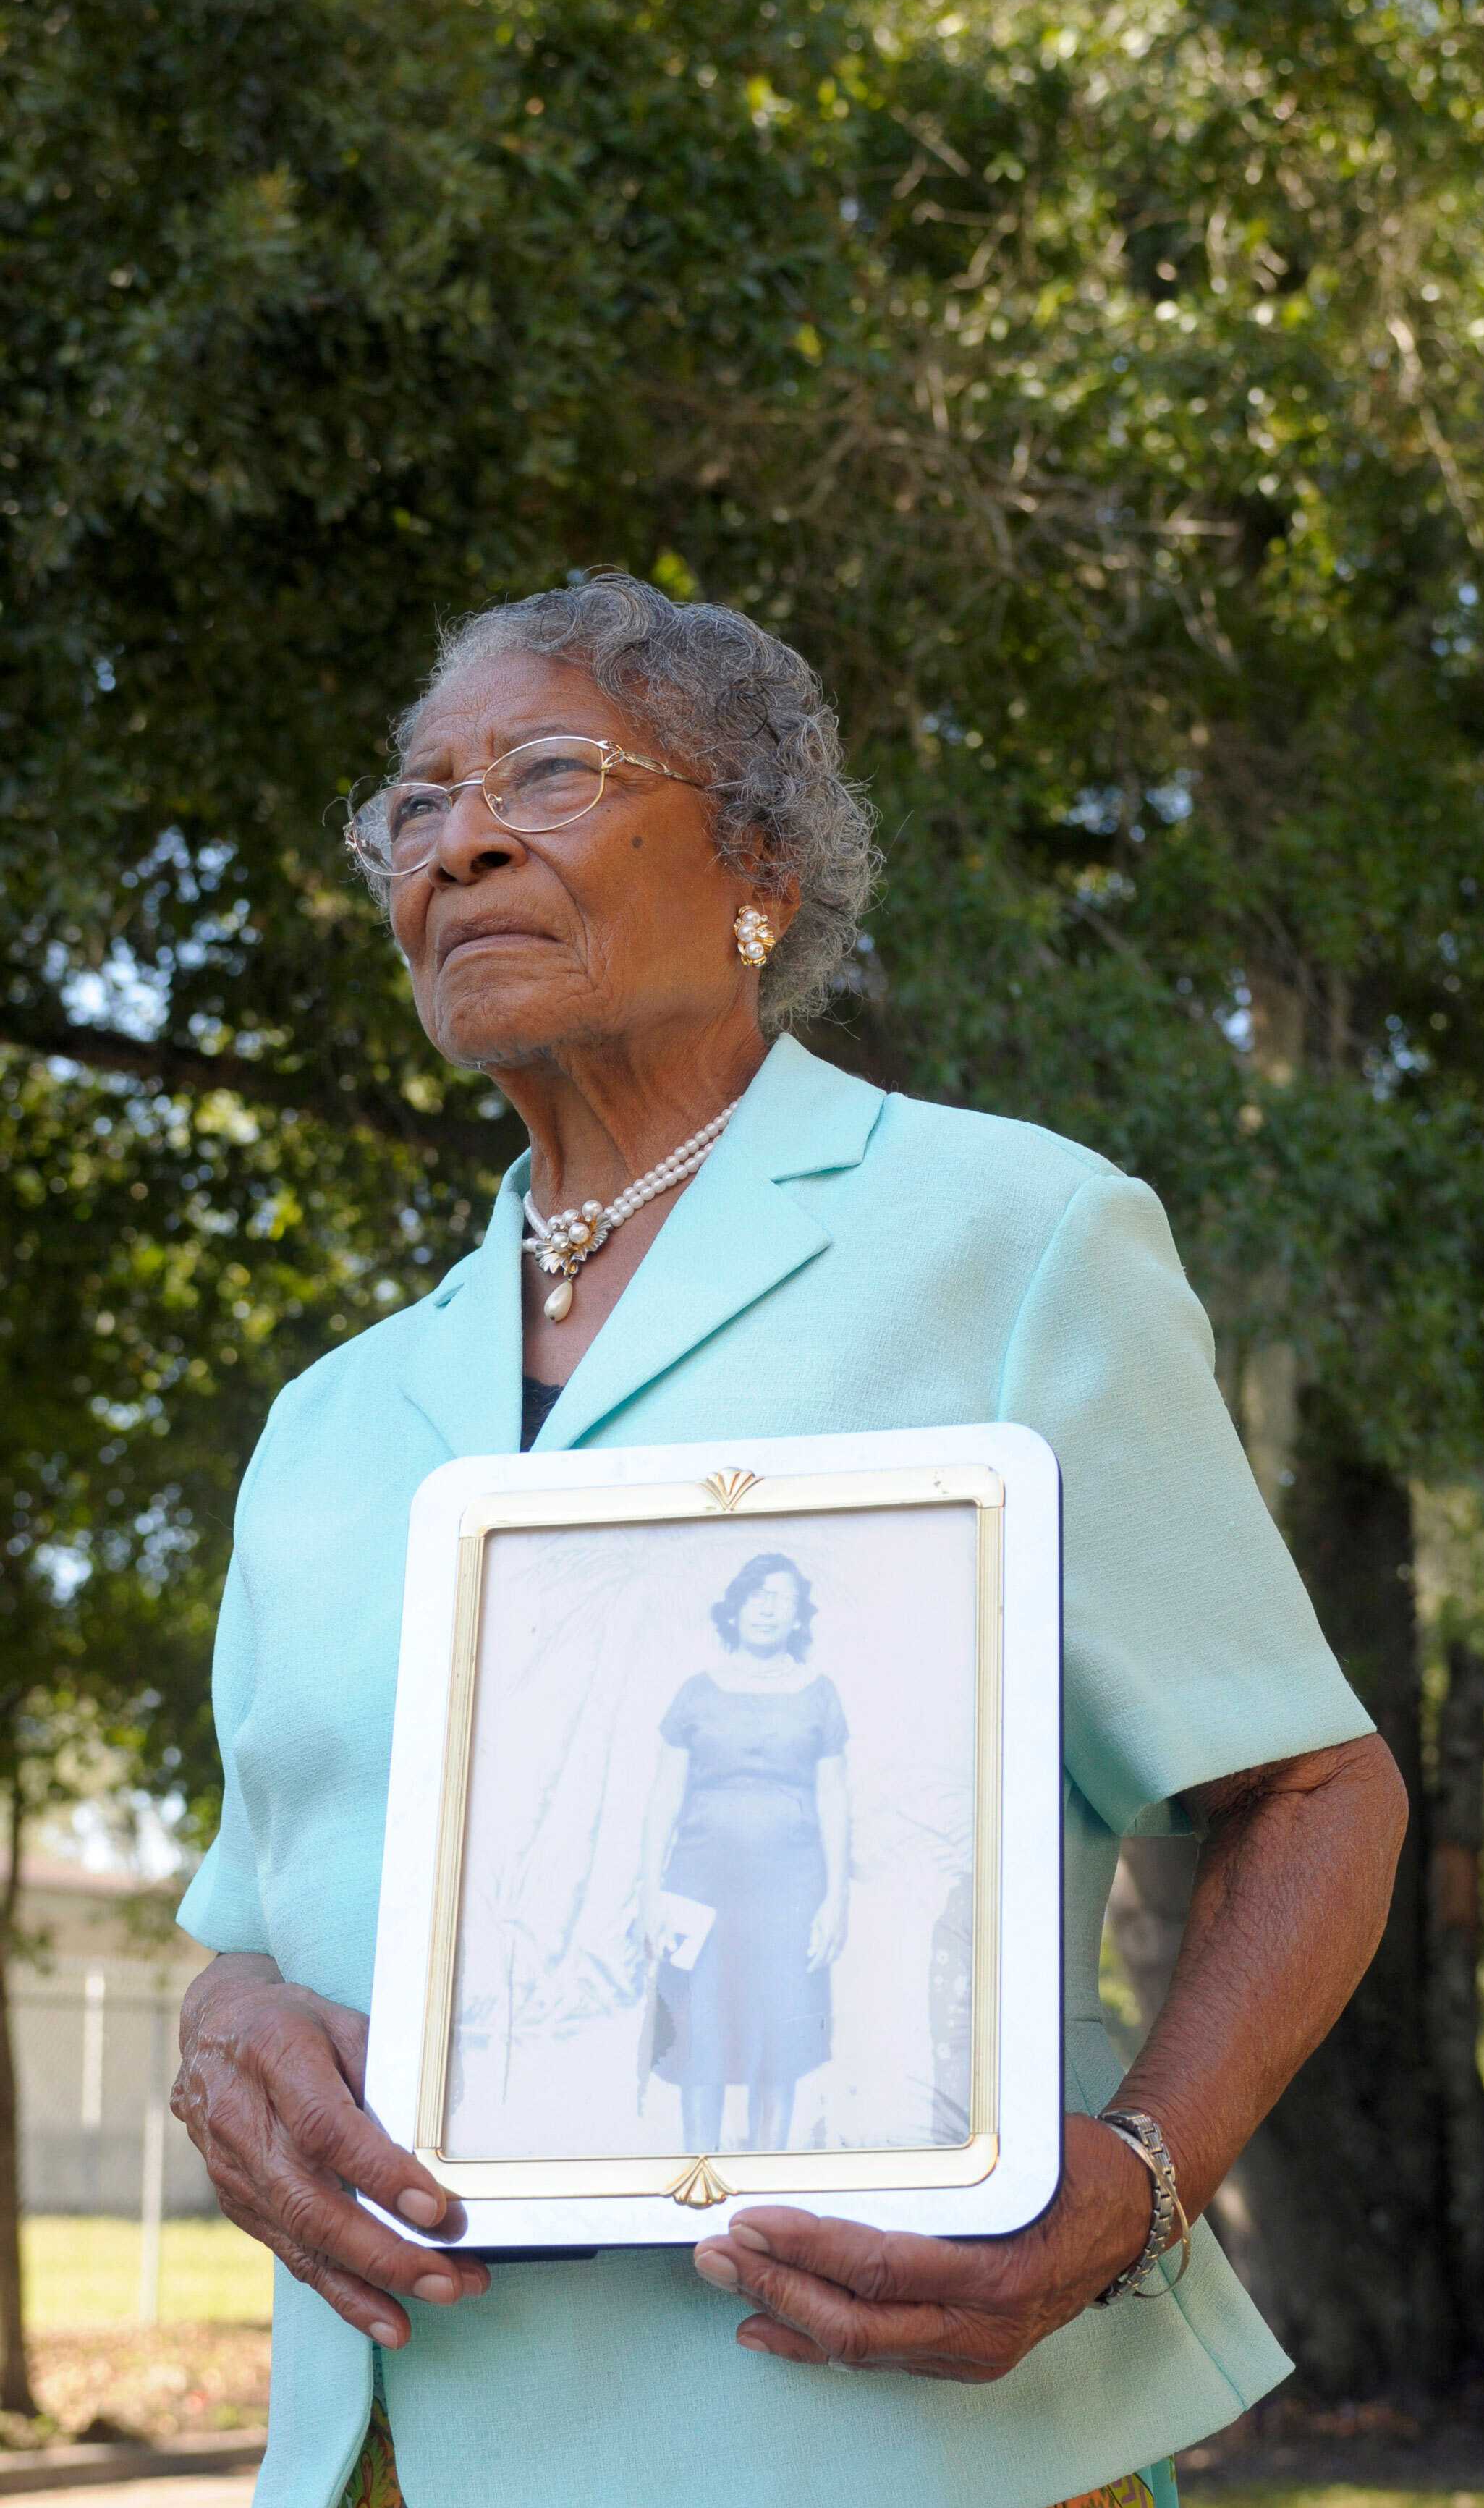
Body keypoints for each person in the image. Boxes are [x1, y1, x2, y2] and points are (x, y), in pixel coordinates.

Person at [170, 570, 1407, 2508]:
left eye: (548, 771)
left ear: (754, 854)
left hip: (884, 2443)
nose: (459, 835)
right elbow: (247, 1931)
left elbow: (1319, 1790)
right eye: (416, 804)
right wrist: (232, 2043)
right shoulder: (327, 1424)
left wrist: (1139, 2177)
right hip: (394, 2449)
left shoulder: (1011, 1239)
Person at [640, 1551, 850, 2155]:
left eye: (780, 1597)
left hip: (790, 1891)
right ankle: (698, 2172)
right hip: (701, 1888)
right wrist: (650, 1893)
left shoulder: (819, 1693)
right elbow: (663, 1796)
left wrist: (835, 1899)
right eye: (756, 1594)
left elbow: (835, 1796)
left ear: (797, 1614)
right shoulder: (696, 1692)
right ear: (735, 1607)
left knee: (776, 2040)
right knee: (700, 2033)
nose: (766, 1607)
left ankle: (768, 2176)